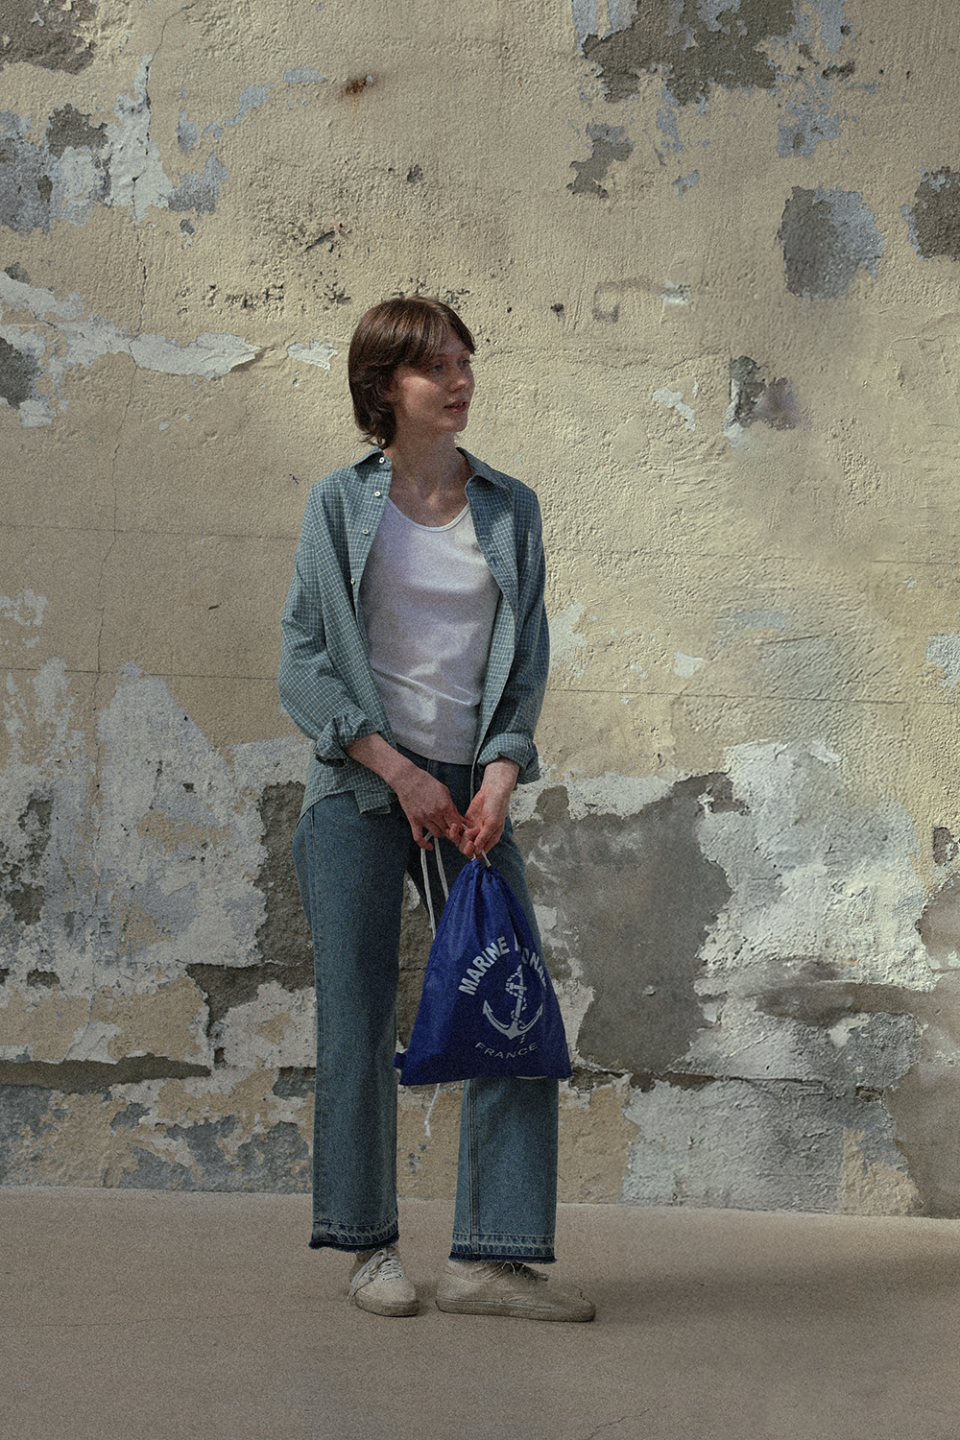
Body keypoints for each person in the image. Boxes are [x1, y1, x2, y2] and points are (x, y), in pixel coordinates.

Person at [279, 295, 594, 1322]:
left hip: (472, 794)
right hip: (361, 787)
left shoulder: (509, 507)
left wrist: (498, 774)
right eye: (437, 367)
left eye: (465, 361)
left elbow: (525, 659)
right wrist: (396, 772)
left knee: (512, 1002)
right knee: (358, 1015)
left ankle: (489, 1262)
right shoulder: (340, 505)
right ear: (386, 387)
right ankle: (368, 1246)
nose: (460, 381)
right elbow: (304, 662)